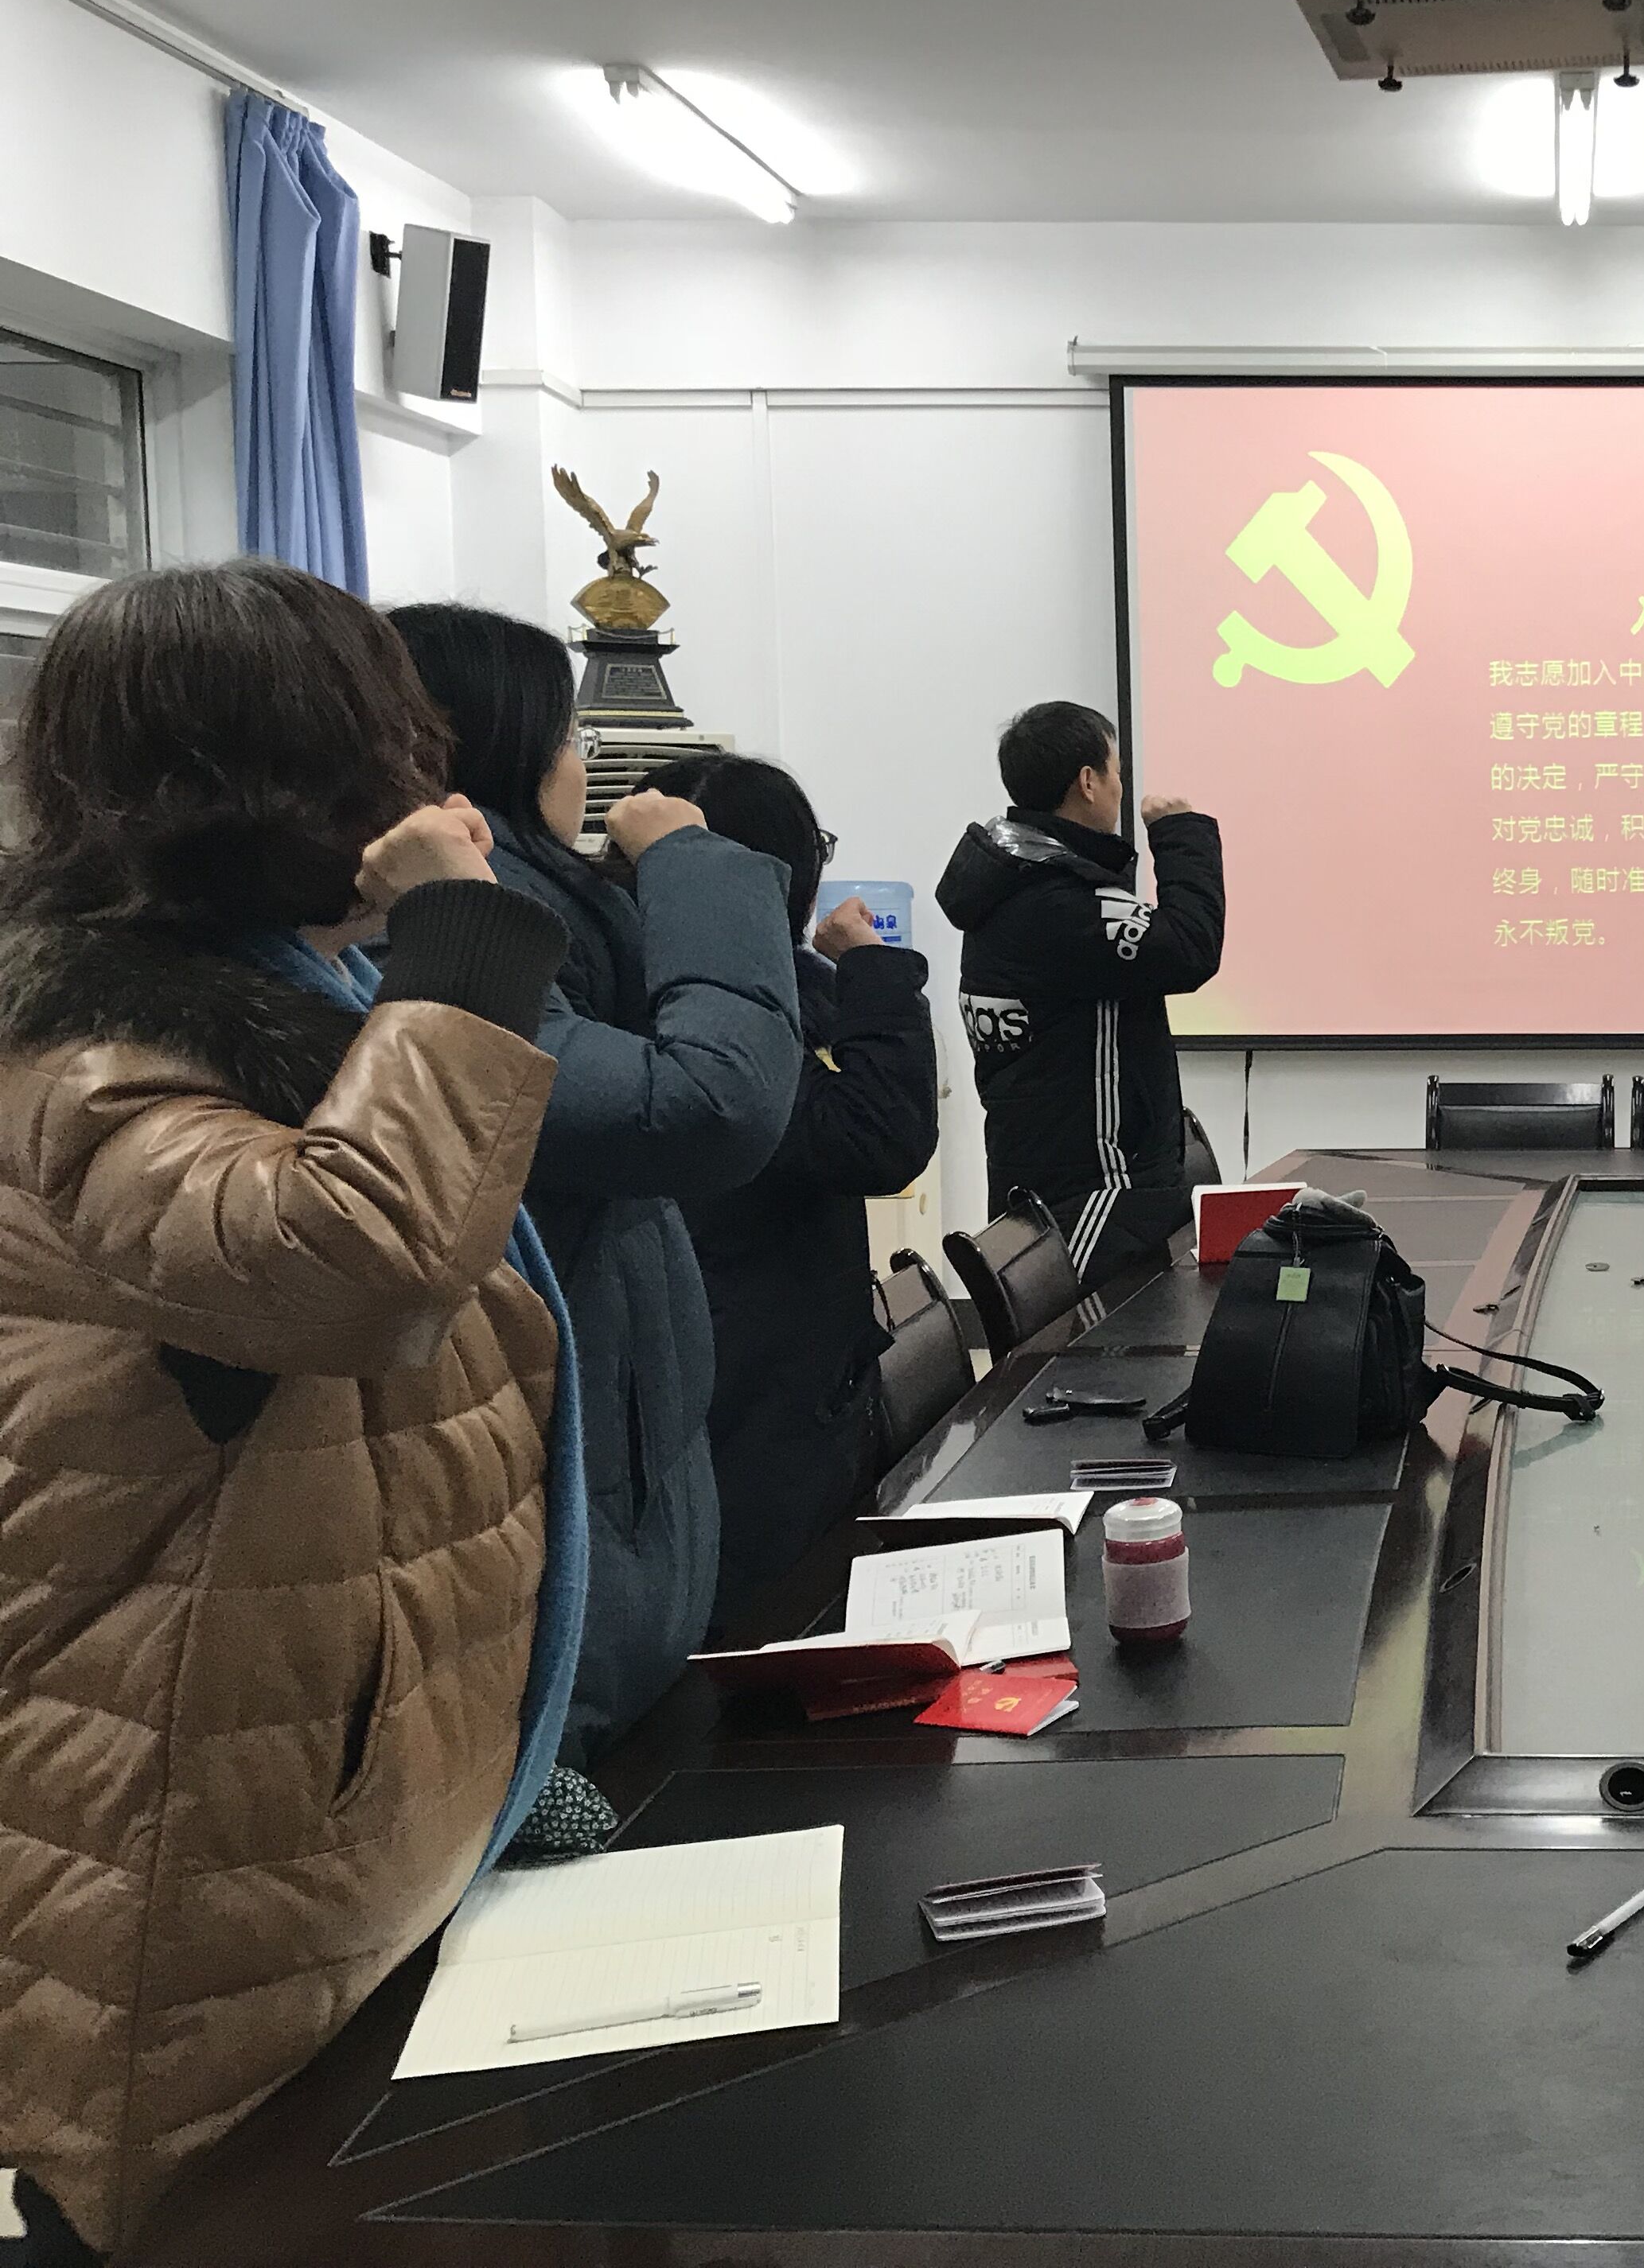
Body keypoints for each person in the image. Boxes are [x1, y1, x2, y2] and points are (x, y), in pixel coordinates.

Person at [0, 563, 586, 2262]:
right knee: (229, 2204)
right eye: (385, 754)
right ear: (273, 789)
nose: (427, 793)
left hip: (311, 1779)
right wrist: (463, 946)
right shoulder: (89, 1057)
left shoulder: (280, 1000)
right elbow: (364, 1265)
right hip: (203, 1816)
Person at [389, 605, 802, 1760]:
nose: (584, 765)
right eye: (569, 737)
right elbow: (707, 1102)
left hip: (621, 1555)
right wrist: (693, 860)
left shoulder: (539, 919)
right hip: (549, 1614)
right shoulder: (445, 944)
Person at [637, 754, 941, 1625]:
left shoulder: (741, 981)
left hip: (792, 1379)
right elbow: (877, 1137)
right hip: (748, 1393)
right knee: (766, 1626)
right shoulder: (697, 1018)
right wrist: (873, 967)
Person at [937, 700, 1223, 1282]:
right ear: (1089, 782)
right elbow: (1189, 948)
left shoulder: (1014, 879)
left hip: (1048, 1179)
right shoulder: (1057, 900)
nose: (1121, 787)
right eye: (1117, 771)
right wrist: (1181, 835)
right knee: (1102, 1340)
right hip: (1095, 1194)